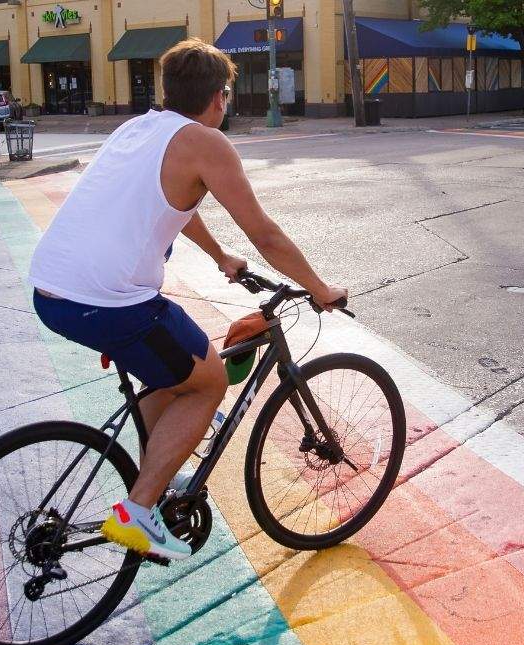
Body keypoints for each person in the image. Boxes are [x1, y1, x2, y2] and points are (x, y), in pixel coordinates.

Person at [28, 39, 346, 561]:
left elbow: (176, 202)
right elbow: (265, 235)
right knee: (209, 381)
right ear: (220, 97)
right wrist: (319, 288)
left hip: (52, 290)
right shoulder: (205, 142)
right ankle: (138, 511)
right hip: (108, 300)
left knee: (171, 371)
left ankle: (155, 476)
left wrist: (221, 255)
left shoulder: (139, 128)